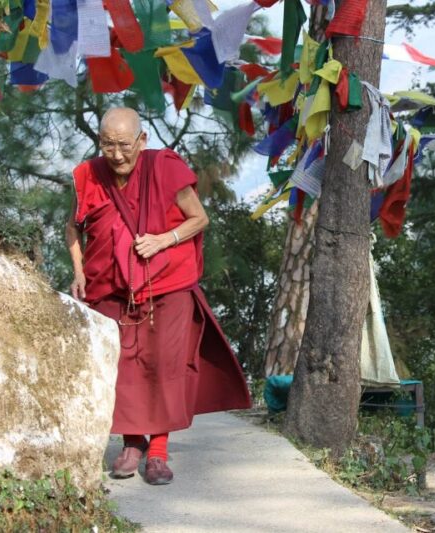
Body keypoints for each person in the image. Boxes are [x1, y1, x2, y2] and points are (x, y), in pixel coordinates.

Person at [66, 107, 251, 485]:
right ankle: (132, 444)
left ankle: (160, 453)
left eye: (123, 145)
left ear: (141, 141)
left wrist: (164, 239)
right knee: (123, 369)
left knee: (164, 366)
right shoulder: (90, 175)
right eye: (106, 145)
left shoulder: (164, 167)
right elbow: (73, 227)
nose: (115, 154)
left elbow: (199, 218)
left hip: (168, 286)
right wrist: (79, 271)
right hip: (110, 288)